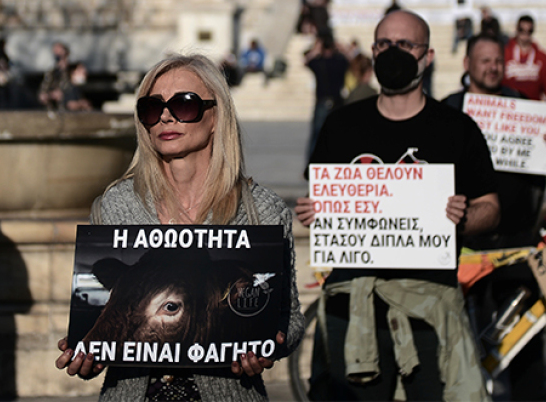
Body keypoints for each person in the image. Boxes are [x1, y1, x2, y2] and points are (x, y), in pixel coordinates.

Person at [55, 54, 304, 400]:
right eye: (152, 108)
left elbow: (289, 319)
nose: (166, 116)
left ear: (217, 117)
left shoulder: (262, 211)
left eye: (184, 105)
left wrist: (269, 345)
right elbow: (107, 315)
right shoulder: (116, 206)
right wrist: (91, 354)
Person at [295, 10, 497, 401]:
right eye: (384, 43)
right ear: (372, 50)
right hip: (352, 301)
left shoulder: (457, 129)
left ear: (429, 55)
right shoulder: (341, 124)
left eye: (405, 44)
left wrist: (463, 218)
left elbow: (490, 206)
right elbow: (323, 200)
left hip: (429, 302)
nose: (393, 52)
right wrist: (314, 214)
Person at [442, 33, 546, 402]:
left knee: (525, 330)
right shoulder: (448, 109)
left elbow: (540, 166)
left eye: (498, 61)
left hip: (516, 235)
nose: (493, 67)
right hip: (466, 239)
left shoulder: (521, 104)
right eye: (485, 61)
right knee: (462, 329)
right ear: (467, 65)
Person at [304, 35, 349, 163]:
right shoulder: (339, 60)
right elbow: (351, 58)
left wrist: (315, 48)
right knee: (337, 134)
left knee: (317, 135)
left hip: (324, 101)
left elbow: (305, 60)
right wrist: (341, 47)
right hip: (336, 101)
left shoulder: (319, 61)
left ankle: (310, 165)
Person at [502, 15, 546, 103]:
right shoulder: (504, 54)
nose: (525, 34)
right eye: (521, 30)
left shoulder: (542, 57)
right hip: (508, 106)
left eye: (529, 31)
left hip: (532, 109)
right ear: (516, 29)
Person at [39, 42, 74, 111]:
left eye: (60, 51)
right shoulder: (51, 73)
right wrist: (48, 95)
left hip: (70, 109)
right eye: (55, 51)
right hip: (53, 108)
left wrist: (63, 94)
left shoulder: (73, 70)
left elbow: (74, 88)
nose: (57, 54)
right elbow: (43, 89)